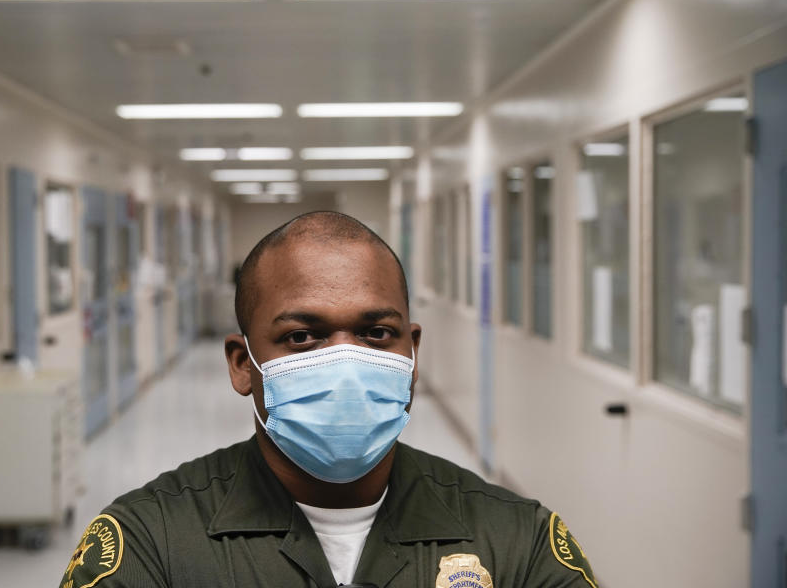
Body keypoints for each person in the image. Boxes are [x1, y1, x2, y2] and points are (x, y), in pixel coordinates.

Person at [60, 211, 597, 588]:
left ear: (412, 355)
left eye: (376, 333)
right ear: (243, 364)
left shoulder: (517, 541)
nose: (347, 362)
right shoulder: (150, 543)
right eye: (302, 337)